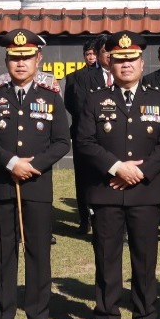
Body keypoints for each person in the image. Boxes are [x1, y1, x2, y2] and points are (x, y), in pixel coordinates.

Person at [75, 31, 160, 319]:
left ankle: (145, 318)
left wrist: (140, 171)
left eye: (131, 59)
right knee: (107, 258)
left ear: (141, 61)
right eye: (119, 60)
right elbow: (84, 141)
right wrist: (117, 167)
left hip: (145, 192)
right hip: (107, 190)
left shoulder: (158, 99)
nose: (125, 65)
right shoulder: (95, 99)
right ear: (110, 63)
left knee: (145, 259)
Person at [0, 29, 71, 319]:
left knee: (38, 253)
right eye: (15, 58)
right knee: (4, 253)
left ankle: (38, 318)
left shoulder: (50, 97)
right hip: (4, 185)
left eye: (26, 58)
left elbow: (61, 142)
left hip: (38, 186)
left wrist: (33, 165)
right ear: (7, 60)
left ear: (38, 60)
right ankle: (2, 318)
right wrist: (11, 162)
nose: (20, 63)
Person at [64, 34, 112, 234]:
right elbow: (77, 106)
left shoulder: (124, 74)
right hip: (88, 136)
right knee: (84, 178)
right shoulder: (80, 77)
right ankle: (85, 219)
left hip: (115, 138)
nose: (109, 56)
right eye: (104, 52)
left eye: (111, 51)